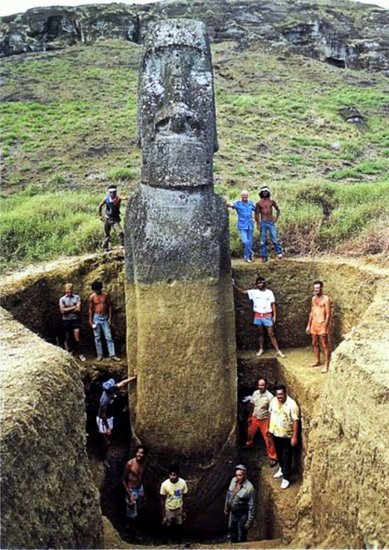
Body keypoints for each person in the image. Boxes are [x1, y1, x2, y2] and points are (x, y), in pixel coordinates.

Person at [233, 276, 285, 358]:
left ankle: (278, 350)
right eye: (258, 283)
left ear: (264, 283)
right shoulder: (254, 292)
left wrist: (274, 315)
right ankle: (261, 349)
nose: (260, 284)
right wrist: (234, 284)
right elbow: (242, 292)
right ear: (256, 284)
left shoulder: (269, 292)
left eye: (261, 282)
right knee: (260, 333)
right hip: (258, 315)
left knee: (271, 333)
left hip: (267, 315)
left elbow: (273, 304)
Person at [96, 374, 136, 466]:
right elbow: (103, 414)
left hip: (109, 417)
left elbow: (122, 383)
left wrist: (133, 377)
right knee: (107, 441)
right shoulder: (104, 400)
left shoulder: (112, 389)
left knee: (109, 438)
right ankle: (103, 457)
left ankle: (103, 450)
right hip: (103, 421)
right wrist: (108, 428)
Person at [268, 385, 299, 490]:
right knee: (279, 453)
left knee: (287, 456)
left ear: (285, 393)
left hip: (286, 435)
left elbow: (296, 421)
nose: (279, 397)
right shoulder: (273, 401)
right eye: (277, 395)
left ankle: (286, 477)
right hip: (275, 432)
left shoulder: (292, 405)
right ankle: (281, 468)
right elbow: (270, 414)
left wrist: (294, 436)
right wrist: (269, 429)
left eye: (281, 394)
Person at [245, 377, 278, 467]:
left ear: (266, 385)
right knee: (250, 433)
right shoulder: (255, 393)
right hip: (255, 418)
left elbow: (272, 411)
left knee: (268, 439)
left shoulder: (270, 397)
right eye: (259, 385)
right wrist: (249, 417)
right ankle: (249, 445)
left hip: (264, 420)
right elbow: (252, 405)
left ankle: (273, 457)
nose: (260, 387)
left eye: (262, 385)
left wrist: (269, 424)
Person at [88, 279, 120, 362]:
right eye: (95, 290)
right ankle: (99, 355)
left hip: (104, 317)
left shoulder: (105, 295)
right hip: (96, 318)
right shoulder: (92, 297)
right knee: (97, 337)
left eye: (98, 290)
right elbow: (91, 309)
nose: (97, 291)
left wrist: (110, 318)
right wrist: (90, 320)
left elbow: (109, 306)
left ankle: (112, 354)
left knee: (108, 336)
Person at [224, 464, 255, 543]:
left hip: (242, 514)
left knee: (242, 532)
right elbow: (229, 494)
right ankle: (233, 544)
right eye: (237, 475)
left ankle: (242, 546)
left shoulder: (249, 488)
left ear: (244, 474)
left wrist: (249, 521)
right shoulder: (233, 480)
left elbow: (251, 505)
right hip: (233, 512)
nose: (238, 477)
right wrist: (226, 506)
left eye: (240, 475)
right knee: (231, 529)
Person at [306, 280, 332, 373]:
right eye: (315, 288)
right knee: (315, 343)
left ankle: (326, 364)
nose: (316, 290)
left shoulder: (326, 299)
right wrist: (308, 325)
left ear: (321, 288)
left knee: (325, 345)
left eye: (318, 288)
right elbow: (312, 312)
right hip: (314, 323)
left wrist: (325, 326)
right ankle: (317, 360)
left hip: (322, 323)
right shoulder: (313, 299)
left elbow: (328, 314)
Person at [255, 185, 283, 262]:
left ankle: (279, 253)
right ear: (261, 193)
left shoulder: (272, 202)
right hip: (263, 222)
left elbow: (278, 210)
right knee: (262, 240)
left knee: (274, 238)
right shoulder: (258, 203)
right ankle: (264, 256)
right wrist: (257, 224)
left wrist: (276, 219)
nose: (265, 193)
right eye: (263, 192)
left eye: (266, 192)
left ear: (268, 192)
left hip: (270, 222)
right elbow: (257, 213)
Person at [59, 282, 85, 361]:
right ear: (65, 290)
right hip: (66, 321)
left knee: (77, 338)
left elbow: (79, 309)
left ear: (72, 290)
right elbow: (62, 311)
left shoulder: (77, 297)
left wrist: (68, 308)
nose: (69, 292)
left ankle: (80, 354)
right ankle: (68, 354)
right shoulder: (62, 299)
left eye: (70, 290)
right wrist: (74, 307)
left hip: (75, 320)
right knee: (67, 337)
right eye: (67, 291)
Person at [227, 190, 256, 262]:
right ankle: (251, 253)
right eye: (243, 196)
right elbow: (230, 205)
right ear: (241, 196)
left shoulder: (250, 203)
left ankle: (247, 257)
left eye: (246, 195)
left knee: (250, 242)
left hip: (250, 225)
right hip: (242, 225)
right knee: (245, 241)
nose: (244, 197)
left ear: (248, 196)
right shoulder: (238, 204)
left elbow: (257, 210)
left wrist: (255, 219)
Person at [122, 445, 148, 523]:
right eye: (138, 452)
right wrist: (129, 494)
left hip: (140, 488)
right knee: (131, 511)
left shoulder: (144, 463)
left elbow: (143, 478)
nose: (139, 454)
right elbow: (123, 479)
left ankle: (138, 522)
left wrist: (144, 491)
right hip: (131, 490)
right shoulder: (130, 464)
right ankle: (129, 527)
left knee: (140, 506)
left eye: (141, 453)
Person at [160, 465, 188, 530]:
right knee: (168, 524)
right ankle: (169, 538)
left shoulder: (183, 483)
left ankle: (178, 539)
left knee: (179, 524)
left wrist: (184, 511)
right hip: (169, 509)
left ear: (178, 475)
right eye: (171, 475)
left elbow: (185, 497)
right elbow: (162, 499)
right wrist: (164, 515)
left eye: (174, 475)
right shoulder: (164, 484)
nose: (172, 477)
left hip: (179, 508)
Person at [98, 185, 124, 252]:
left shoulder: (118, 199)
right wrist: (100, 215)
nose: (112, 194)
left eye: (114, 192)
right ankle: (105, 248)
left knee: (120, 232)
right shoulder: (106, 199)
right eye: (111, 192)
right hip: (107, 218)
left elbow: (124, 198)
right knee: (106, 234)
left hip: (115, 219)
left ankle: (122, 245)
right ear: (109, 193)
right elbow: (100, 205)